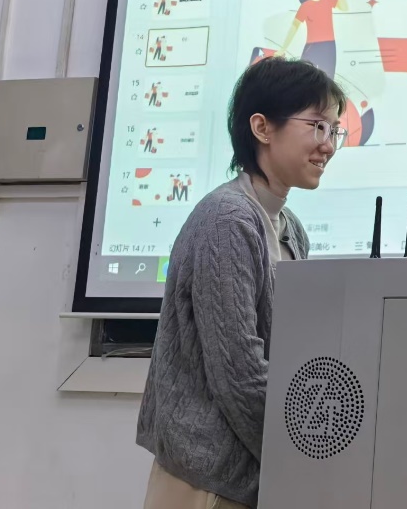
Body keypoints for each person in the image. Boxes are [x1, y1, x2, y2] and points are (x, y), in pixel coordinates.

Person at [137, 59, 348, 509]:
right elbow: (240, 374)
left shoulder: (290, 228)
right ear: (262, 128)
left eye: (334, 130)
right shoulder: (227, 220)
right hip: (209, 479)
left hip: (255, 474)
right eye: (317, 126)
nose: (328, 145)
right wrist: (299, 457)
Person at [277, 0, 349, 76]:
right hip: (312, 46)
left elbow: (344, 7)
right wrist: (283, 49)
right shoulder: (305, 6)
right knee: (303, 76)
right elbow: (294, 27)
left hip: (329, 46)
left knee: (328, 78)